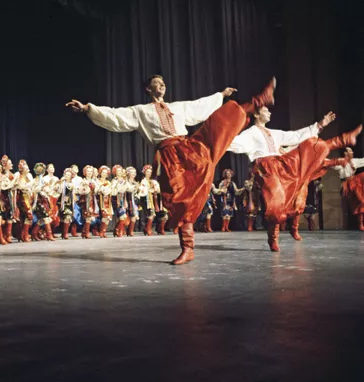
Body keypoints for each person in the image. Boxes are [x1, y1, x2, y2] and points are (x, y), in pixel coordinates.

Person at [67, 74, 275, 264]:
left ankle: (257, 102)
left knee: (217, 127)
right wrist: (87, 108)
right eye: (157, 83)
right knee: (179, 198)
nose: (162, 85)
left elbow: (198, 107)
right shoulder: (141, 111)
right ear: (148, 89)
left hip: (188, 147)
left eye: (163, 82)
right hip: (169, 156)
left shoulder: (177, 107)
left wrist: (220, 95)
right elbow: (115, 116)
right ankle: (188, 248)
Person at [228, 106, 361, 251]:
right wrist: (217, 139)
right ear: (256, 114)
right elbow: (231, 142)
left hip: (281, 164)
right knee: (276, 203)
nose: (270, 112)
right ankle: (273, 237)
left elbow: (296, 136)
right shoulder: (250, 133)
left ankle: (342, 140)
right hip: (265, 167)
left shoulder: (274, 133)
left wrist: (321, 124)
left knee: (311, 145)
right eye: (266, 110)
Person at [333, 148, 364, 231]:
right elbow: (330, 163)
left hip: (355, 183)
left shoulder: (354, 161)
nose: (352, 152)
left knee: (361, 202)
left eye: (352, 151)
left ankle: (361, 223)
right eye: (350, 151)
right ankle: (360, 223)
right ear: (345, 153)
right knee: (361, 201)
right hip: (347, 184)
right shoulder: (340, 162)